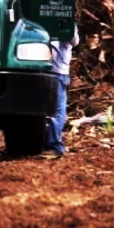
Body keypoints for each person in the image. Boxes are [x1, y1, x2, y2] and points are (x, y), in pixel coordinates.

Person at [43, 26, 79, 159]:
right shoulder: (42, 17)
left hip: (58, 72)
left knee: (56, 110)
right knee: (48, 110)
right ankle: (45, 143)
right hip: (45, 71)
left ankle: (55, 147)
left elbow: (74, 41)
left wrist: (62, 28)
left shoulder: (67, 21)